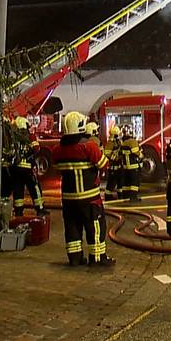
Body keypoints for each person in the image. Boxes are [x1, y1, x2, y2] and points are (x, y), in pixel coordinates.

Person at [52, 111, 114, 266]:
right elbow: (103, 165)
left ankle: (75, 258)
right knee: (95, 228)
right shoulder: (89, 147)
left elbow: (57, 168)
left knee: (72, 228)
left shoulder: (57, 150)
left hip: (68, 200)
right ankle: (98, 258)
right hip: (90, 199)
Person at [8, 116, 47, 216]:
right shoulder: (30, 136)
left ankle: (18, 211)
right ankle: (40, 209)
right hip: (28, 168)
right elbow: (36, 148)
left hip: (15, 168)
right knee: (34, 188)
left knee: (18, 189)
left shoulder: (11, 137)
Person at [118, 124, 142, 202]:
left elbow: (120, 154)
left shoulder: (123, 143)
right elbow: (136, 152)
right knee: (135, 182)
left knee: (126, 183)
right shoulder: (132, 141)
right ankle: (133, 197)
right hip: (133, 166)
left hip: (125, 167)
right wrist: (141, 155)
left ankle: (125, 196)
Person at [103, 125, 122, 201]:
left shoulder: (118, 142)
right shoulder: (110, 143)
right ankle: (108, 196)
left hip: (119, 167)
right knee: (111, 183)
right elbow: (107, 153)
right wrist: (115, 158)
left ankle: (120, 195)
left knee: (120, 183)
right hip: (113, 167)